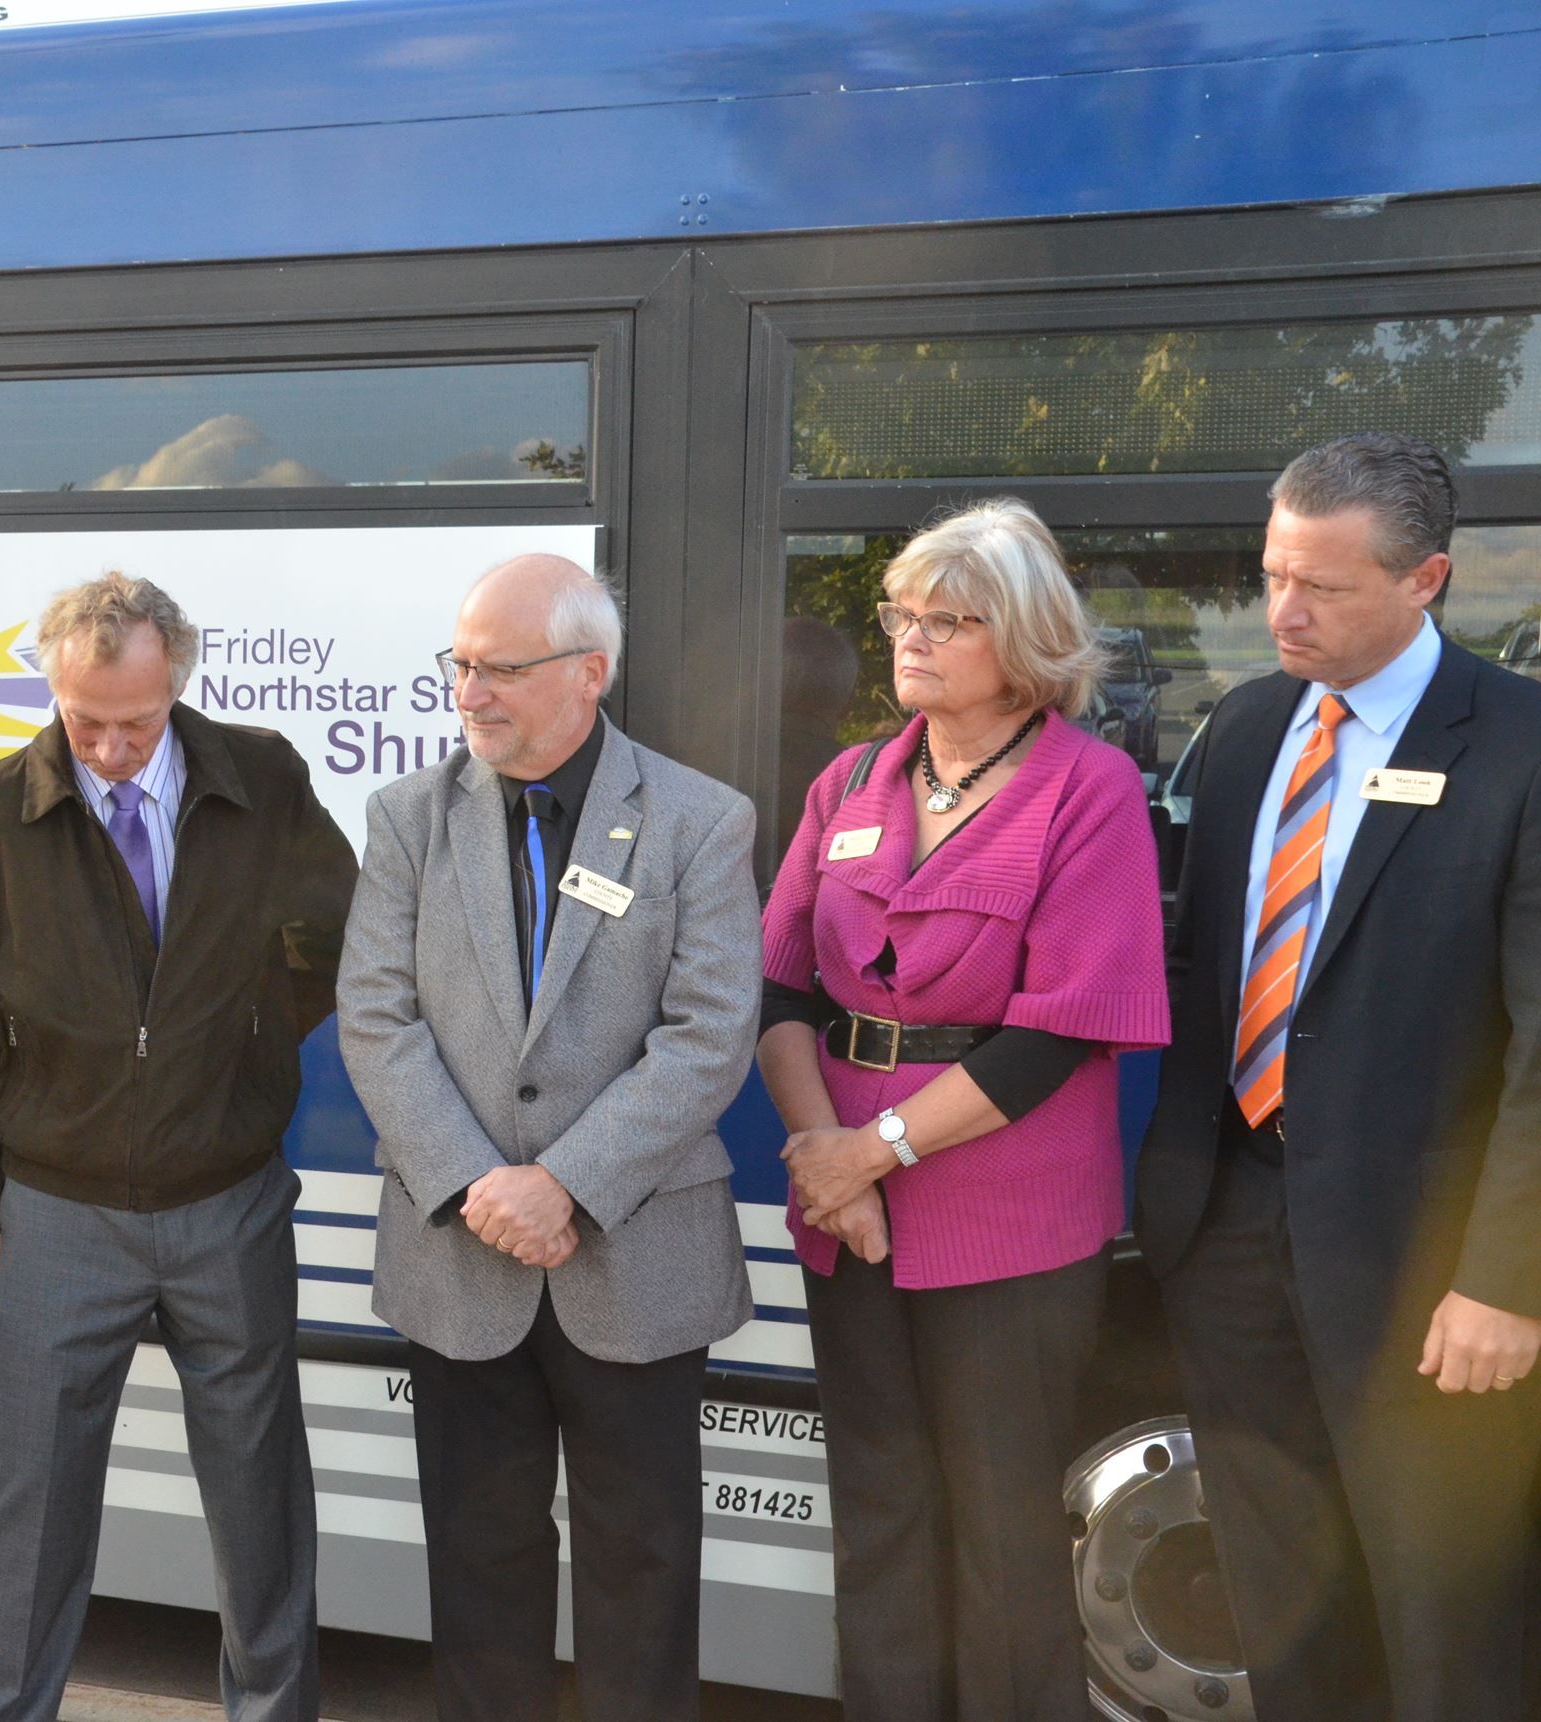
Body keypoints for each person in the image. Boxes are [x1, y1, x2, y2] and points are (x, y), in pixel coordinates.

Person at [1136, 432, 1541, 1721]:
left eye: (1321, 586)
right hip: (1233, 1231)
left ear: (1424, 578)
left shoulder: (1517, 744)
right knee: (1279, 1591)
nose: (1281, 612)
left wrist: (1504, 1279)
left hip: (1429, 1272)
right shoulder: (1249, 724)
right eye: (1269, 576)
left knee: (1441, 1605)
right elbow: (1202, 961)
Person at [0, 570, 356, 1722]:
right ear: (51, 690)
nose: (109, 749)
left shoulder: (260, 775)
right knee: (34, 1504)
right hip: (56, 1212)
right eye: (83, 720)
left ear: (178, 684)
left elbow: (335, 931)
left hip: (230, 1201)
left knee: (261, 1501)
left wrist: (247, 1038)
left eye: (136, 722)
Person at [756, 501, 1168, 1722]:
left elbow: (1059, 1027)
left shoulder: (1085, 790)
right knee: (878, 1511)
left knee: (999, 1529)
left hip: (1006, 1213)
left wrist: (874, 1150)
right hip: (849, 1205)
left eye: (949, 620)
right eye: (901, 615)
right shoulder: (848, 781)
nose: (911, 640)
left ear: (1027, 641)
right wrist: (825, 1164)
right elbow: (779, 988)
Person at [335, 552, 760, 1722]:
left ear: (588, 673)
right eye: (458, 664)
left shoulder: (697, 822)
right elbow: (373, 1018)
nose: (468, 692)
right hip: (457, 1256)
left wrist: (562, 1184)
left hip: (635, 1263)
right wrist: (482, 1183)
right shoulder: (408, 818)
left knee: (642, 1566)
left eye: (499, 668)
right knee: (478, 1570)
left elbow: (709, 1036)